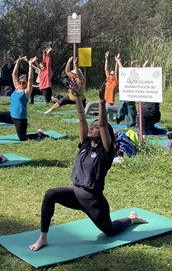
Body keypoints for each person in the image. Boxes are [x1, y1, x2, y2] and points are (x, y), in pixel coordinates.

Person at [28, 83, 148, 252]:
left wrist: (101, 102)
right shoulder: (85, 144)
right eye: (92, 126)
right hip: (75, 194)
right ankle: (43, 238)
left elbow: (105, 125)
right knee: (51, 194)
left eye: (96, 127)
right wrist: (77, 97)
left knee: (110, 231)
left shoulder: (106, 152)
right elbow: (82, 118)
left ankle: (131, 219)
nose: (92, 127)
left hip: (94, 202)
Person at [0, 55, 46, 141]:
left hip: (20, 118)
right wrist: (18, 61)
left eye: (23, 82)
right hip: (11, 115)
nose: (21, 83)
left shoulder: (27, 91)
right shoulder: (17, 88)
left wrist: (30, 65)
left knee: (23, 138)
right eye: (20, 81)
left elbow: (30, 79)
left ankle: (39, 134)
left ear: (26, 83)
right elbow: (14, 74)